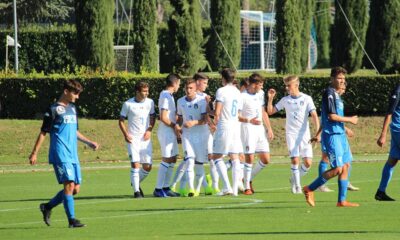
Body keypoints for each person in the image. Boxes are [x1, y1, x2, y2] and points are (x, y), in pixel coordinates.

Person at [29, 79, 99, 228]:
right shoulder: (53, 109)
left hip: (73, 154)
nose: (77, 97)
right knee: (69, 184)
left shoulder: (72, 109)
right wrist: (34, 153)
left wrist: (89, 142)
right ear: (66, 91)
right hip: (60, 153)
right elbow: (43, 132)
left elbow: (74, 131)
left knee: (75, 189)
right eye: (75, 93)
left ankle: (47, 206)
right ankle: (72, 220)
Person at [303, 67, 359, 207]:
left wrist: (344, 129)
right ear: (332, 79)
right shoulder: (329, 93)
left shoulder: (337, 96)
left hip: (340, 136)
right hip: (332, 137)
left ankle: (342, 200)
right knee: (337, 169)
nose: (342, 81)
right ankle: (309, 188)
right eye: (339, 78)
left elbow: (325, 120)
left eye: (344, 79)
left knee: (346, 166)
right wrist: (350, 120)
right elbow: (331, 117)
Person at [267, 76, 319, 194]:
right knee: (295, 160)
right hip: (291, 134)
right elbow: (270, 112)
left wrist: (317, 133)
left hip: (305, 134)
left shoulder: (307, 98)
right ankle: (298, 187)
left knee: (308, 163)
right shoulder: (285, 100)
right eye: (285, 85)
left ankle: (294, 180)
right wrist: (270, 99)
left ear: (296, 85)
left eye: (288, 85)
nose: (286, 88)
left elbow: (314, 115)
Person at [312, 83, 359, 192]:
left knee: (346, 162)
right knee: (327, 159)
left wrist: (345, 129)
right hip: (330, 135)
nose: (344, 90)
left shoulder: (338, 101)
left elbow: (334, 120)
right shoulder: (329, 97)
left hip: (338, 135)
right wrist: (319, 134)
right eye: (342, 88)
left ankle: (344, 184)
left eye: (344, 88)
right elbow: (329, 118)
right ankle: (318, 186)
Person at [118, 81, 156, 198]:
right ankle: (136, 192)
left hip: (145, 139)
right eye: (144, 91)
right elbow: (121, 121)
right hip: (132, 138)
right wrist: (126, 134)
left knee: (148, 166)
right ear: (137, 92)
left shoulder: (150, 102)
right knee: (135, 164)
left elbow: (153, 117)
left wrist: (149, 130)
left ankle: (135, 181)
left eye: (147, 91)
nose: (147, 93)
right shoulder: (128, 104)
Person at [239, 73, 274, 195]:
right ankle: (246, 187)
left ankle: (247, 179)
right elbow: (237, 116)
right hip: (248, 129)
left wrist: (269, 128)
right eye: (260, 84)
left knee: (266, 159)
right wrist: (249, 120)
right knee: (250, 158)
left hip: (260, 130)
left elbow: (263, 111)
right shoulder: (241, 97)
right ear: (254, 85)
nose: (262, 86)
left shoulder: (261, 93)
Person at [211, 68, 243, 196]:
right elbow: (239, 112)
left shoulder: (221, 91)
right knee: (234, 157)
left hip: (224, 126)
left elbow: (218, 111)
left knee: (217, 156)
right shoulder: (237, 92)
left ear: (223, 79)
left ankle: (226, 187)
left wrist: (214, 121)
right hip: (235, 126)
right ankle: (235, 190)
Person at [175, 79, 208, 197]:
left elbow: (205, 120)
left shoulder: (202, 101)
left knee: (199, 164)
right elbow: (179, 117)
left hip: (200, 135)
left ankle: (199, 188)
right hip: (187, 135)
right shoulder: (180, 101)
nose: (188, 91)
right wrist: (177, 127)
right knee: (189, 160)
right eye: (186, 88)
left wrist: (194, 122)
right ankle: (191, 189)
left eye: (191, 88)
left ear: (196, 89)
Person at [153, 73, 181, 197]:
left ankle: (166, 187)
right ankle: (158, 189)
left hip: (170, 131)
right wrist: (174, 126)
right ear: (174, 83)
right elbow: (163, 117)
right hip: (166, 131)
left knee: (173, 158)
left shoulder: (170, 96)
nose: (179, 86)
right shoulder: (165, 95)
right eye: (179, 83)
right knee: (167, 158)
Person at [375, 83, 400, 201]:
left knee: (392, 161)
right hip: (398, 129)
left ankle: (381, 191)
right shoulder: (398, 90)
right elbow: (389, 112)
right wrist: (383, 135)